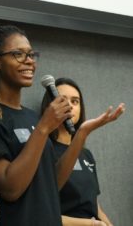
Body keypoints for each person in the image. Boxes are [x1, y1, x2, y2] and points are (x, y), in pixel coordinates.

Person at [0, 25, 124, 226]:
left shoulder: (32, 117)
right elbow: (10, 189)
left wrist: (82, 134)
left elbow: (54, 183)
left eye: (32, 54)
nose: (30, 61)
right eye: (18, 54)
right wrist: (43, 128)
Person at [41, 77, 115, 226]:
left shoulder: (86, 154)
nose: (69, 105)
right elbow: (39, 212)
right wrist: (91, 224)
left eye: (75, 101)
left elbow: (94, 204)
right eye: (62, 100)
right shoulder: (43, 149)